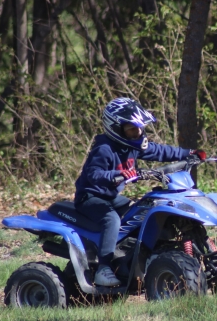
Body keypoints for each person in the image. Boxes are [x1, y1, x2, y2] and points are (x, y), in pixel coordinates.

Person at [74, 97, 206, 286]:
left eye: (139, 128)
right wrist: (117, 174)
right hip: (90, 197)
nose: (137, 132)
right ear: (115, 128)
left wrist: (189, 153)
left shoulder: (133, 145)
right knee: (111, 220)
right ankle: (103, 269)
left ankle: (134, 257)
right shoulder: (104, 149)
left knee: (139, 211)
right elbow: (94, 174)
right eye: (131, 128)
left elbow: (160, 151)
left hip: (111, 197)